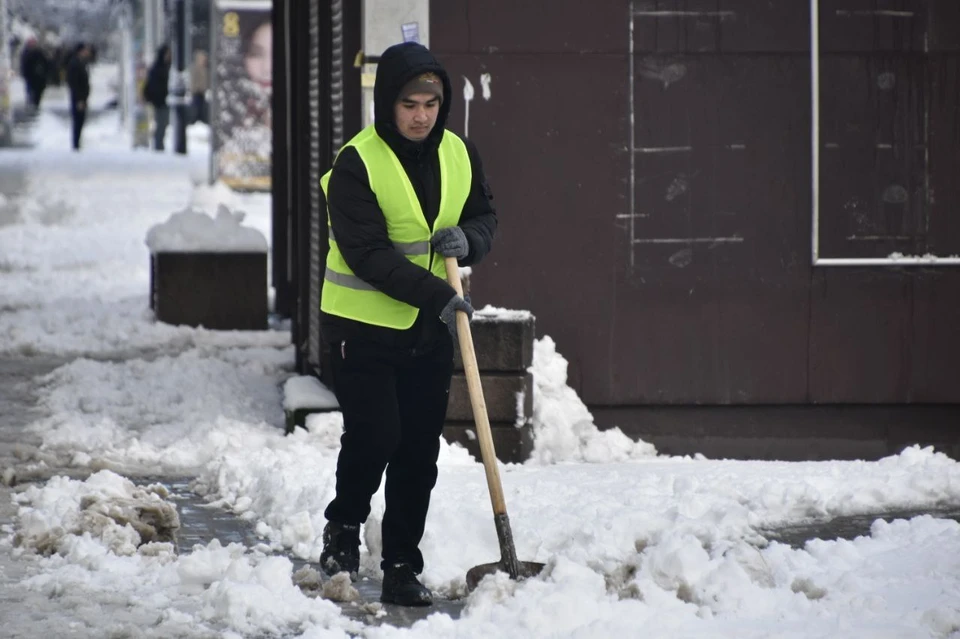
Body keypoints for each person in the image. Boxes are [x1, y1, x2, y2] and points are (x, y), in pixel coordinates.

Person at [317, 41, 497, 607]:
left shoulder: (459, 154)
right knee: (376, 436)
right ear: (387, 104)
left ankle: (401, 563)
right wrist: (439, 293)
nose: (422, 115)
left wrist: (471, 239)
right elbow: (368, 254)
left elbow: (484, 213)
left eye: (431, 103)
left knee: (419, 450)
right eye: (409, 103)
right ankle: (344, 526)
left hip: (429, 331)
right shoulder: (357, 163)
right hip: (361, 328)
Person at [143, 45, 172, 151]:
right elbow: (153, 86)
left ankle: (159, 144)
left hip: (162, 100)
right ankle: (158, 145)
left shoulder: (165, 67)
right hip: (159, 101)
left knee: (162, 124)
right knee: (160, 123)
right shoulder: (158, 69)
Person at [65, 43, 91, 150]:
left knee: (80, 120)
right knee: (78, 120)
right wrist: (79, 99)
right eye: (85, 50)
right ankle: (76, 143)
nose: (87, 52)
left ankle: (77, 142)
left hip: (82, 97)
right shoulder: (75, 64)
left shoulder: (81, 63)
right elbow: (74, 83)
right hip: (78, 98)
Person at [19, 37, 50, 110]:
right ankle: (31, 104)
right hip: (30, 77)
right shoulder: (26, 52)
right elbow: (24, 65)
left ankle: (35, 105)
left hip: (39, 78)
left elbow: (46, 63)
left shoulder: (40, 53)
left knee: (37, 93)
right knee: (30, 92)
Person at [189, 49, 209, 124]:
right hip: (197, 92)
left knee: (202, 109)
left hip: (203, 92)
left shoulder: (205, 69)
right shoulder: (195, 69)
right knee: (196, 109)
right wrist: (197, 88)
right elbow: (194, 81)